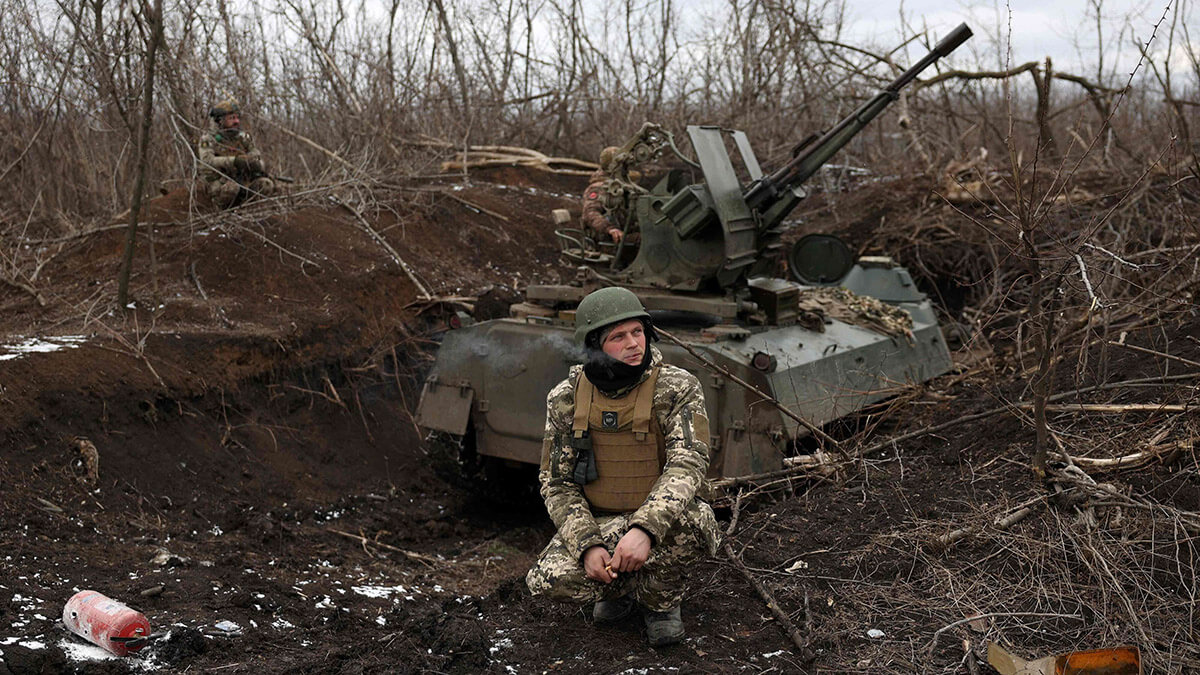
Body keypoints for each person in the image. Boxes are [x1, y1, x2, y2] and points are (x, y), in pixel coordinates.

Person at [525, 287, 721, 647]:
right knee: (548, 579)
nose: (634, 344)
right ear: (595, 345)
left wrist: (645, 529)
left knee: (694, 524)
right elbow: (557, 483)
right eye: (618, 337)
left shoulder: (677, 387)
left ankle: (660, 603)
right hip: (601, 520)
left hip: (668, 518)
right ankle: (618, 591)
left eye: (638, 332)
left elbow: (687, 464)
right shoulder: (566, 398)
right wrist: (587, 546)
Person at [197, 98, 275, 208]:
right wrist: (235, 161)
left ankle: (250, 209)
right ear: (220, 120)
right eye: (232, 118)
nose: (236, 121)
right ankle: (218, 210)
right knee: (232, 188)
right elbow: (207, 161)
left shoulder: (243, 138)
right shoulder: (209, 139)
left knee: (266, 184)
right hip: (219, 183)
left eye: (237, 118)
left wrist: (255, 164)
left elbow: (256, 155)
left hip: (243, 181)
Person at [580, 146, 627, 244]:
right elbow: (590, 213)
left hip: (620, 233)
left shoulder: (619, 185)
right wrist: (610, 229)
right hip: (606, 238)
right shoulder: (598, 187)